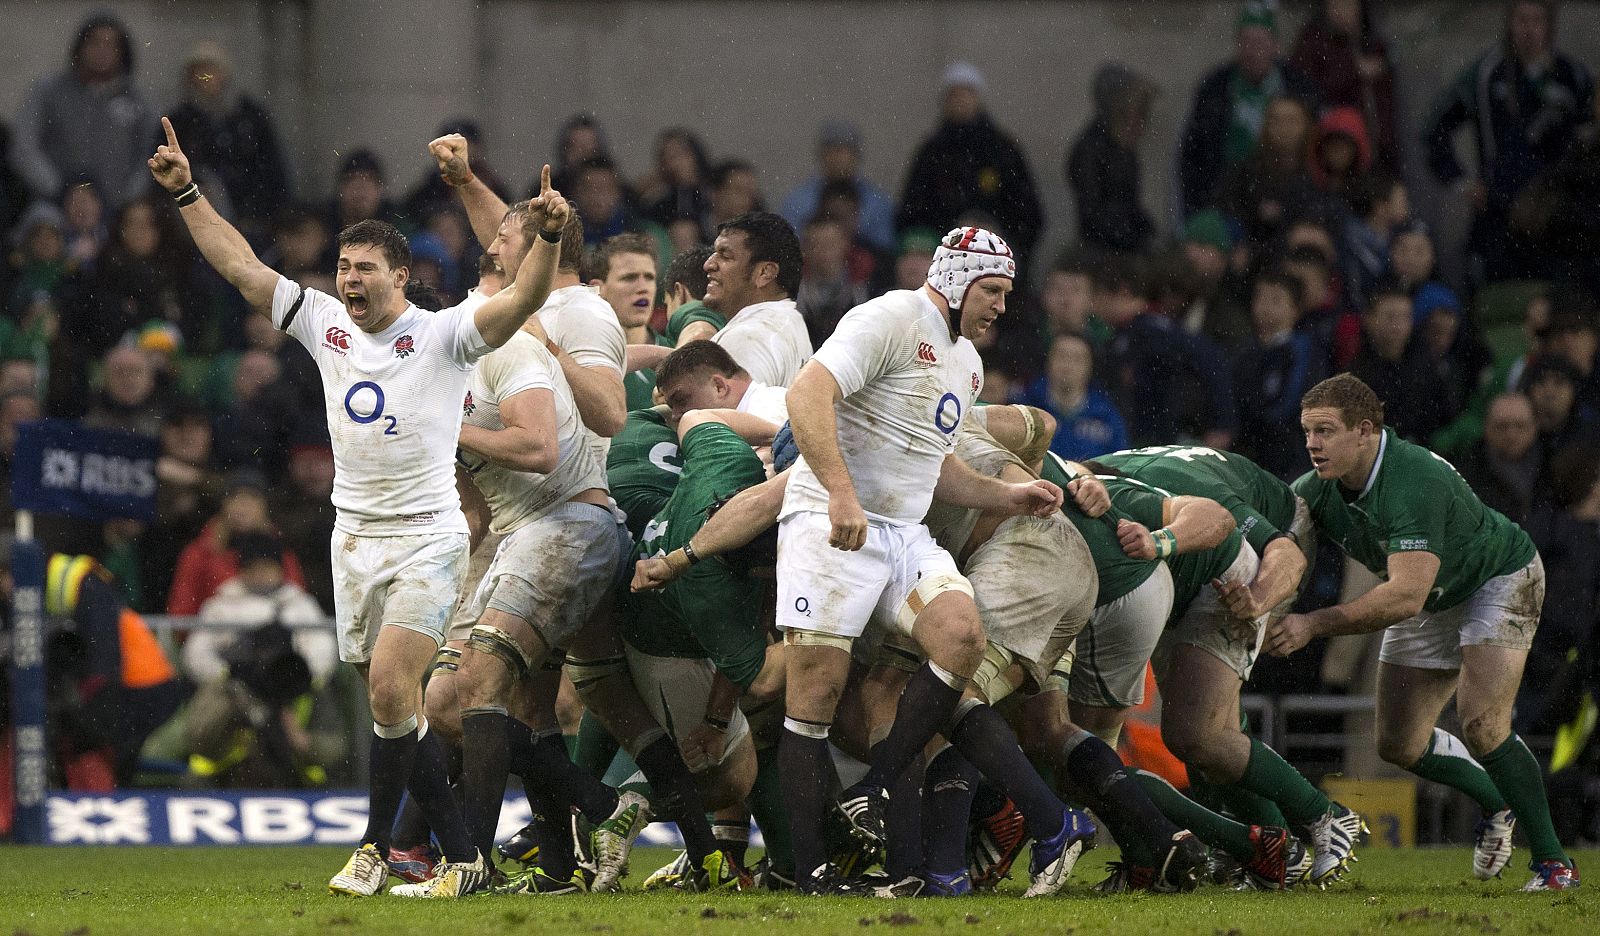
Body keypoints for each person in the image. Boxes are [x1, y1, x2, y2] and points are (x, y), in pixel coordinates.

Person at [149, 116, 568, 897]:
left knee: (389, 690)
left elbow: (523, 297)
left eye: (365, 267)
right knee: (397, 712)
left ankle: (373, 848)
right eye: (343, 266)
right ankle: (465, 860)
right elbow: (240, 266)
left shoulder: (444, 336)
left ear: (400, 277)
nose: (349, 279)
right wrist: (187, 193)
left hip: (428, 538)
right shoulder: (324, 324)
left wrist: (546, 238)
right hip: (354, 542)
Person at [774, 225, 1090, 895]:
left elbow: (934, 465)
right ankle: (812, 876)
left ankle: (876, 788)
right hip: (828, 520)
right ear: (955, 279)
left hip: (901, 533)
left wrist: (1008, 494)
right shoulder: (890, 316)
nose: (1001, 306)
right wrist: (840, 493)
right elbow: (806, 393)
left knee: (961, 637)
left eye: (1006, 294)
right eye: (992, 290)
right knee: (815, 698)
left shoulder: (967, 364)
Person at [1276, 373, 1579, 891]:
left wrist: (1310, 623)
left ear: (1365, 431)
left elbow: (1404, 598)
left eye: (1325, 431)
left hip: (1496, 577)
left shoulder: (1411, 478)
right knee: (1398, 743)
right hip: (1431, 593)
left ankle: (1554, 865)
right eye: (1307, 431)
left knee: (1482, 724)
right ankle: (1496, 802)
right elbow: (1282, 556)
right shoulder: (1314, 490)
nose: (1312, 444)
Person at [1423, 0, 1594, 283]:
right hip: (1500, 209)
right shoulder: (1487, 74)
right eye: (1522, 20)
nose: (1529, 30)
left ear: (1549, 25)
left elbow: (1590, 132)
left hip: (1557, 212)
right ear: (1509, 22)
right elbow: (1434, 130)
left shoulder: (1571, 75)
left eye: (1537, 20)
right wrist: (1462, 183)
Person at [1177, 1, 1318, 217]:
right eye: (1245, 42)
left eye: (1259, 42)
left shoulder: (1298, 85)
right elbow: (1194, 153)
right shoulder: (1215, 87)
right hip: (1226, 195)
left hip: (1285, 194)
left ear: (1276, 46)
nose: (1252, 51)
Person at [897, 63, 1044, 264]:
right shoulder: (931, 154)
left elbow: (1026, 212)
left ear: (978, 98)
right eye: (954, 95)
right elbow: (913, 212)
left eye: (966, 94)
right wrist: (950, 234)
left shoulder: (1002, 150)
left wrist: (992, 234)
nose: (961, 101)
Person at [8, 14, 152, 208]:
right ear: (80, 47)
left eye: (111, 45)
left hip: (117, 211)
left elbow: (150, 155)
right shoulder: (49, 91)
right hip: (53, 206)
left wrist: (125, 199)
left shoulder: (137, 101)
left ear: (123, 53)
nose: (102, 51)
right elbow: (23, 146)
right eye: (95, 42)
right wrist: (58, 189)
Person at [162, 42, 290, 237]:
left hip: (250, 217)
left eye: (211, 70)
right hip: (195, 218)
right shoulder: (180, 122)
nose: (206, 78)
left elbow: (271, 167)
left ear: (224, 74)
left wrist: (259, 210)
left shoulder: (250, 117)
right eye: (199, 72)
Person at [702, 211, 812, 387]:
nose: (708, 264)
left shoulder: (749, 337)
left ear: (765, 273)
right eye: (714, 253)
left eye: (725, 256)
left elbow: (726, 406)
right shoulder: (789, 324)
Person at [1288, 0, 1400, 173]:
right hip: (1329, 146)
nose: (1341, 13)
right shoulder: (1311, 42)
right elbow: (1307, 91)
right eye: (1335, 6)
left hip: (1374, 148)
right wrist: (1353, 70)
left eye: (1348, 5)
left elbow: (1386, 106)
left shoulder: (1373, 44)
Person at [1068, 63, 1158, 254]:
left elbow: (1129, 204)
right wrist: (1128, 236)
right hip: (1102, 252)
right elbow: (1093, 213)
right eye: (1131, 113)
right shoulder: (1090, 150)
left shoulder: (1124, 149)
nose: (1139, 122)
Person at [781, 120, 897, 254]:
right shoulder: (796, 202)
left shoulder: (878, 203)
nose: (838, 158)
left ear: (856, 156)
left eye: (844, 151)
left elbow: (884, 250)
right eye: (832, 151)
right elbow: (789, 249)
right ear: (821, 155)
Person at [1008, 331, 1127, 461]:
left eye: (1077, 359)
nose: (1068, 365)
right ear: (1048, 360)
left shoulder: (1107, 417)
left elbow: (1119, 465)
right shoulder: (1024, 410)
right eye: (1061, 356)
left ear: (1089, 366)